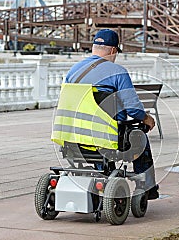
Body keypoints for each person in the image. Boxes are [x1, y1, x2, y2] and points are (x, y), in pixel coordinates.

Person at [65, 29, 159, 200]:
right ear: (113, 50)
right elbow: (133, 109)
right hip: (107, 138)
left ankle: (102, 173)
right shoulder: (117, 71)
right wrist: (147, 119)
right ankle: (147, 187)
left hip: (74, 137)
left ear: (94, 48)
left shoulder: (73, 71)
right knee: (139, 136)